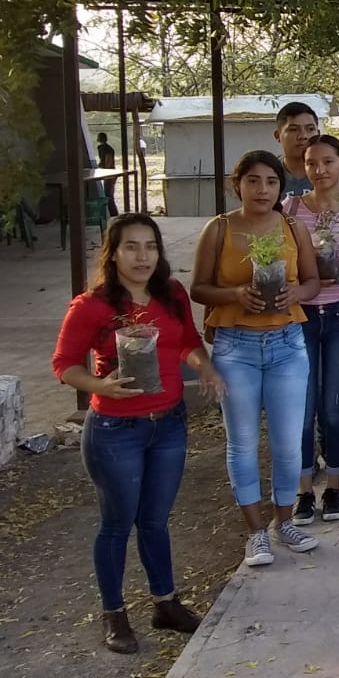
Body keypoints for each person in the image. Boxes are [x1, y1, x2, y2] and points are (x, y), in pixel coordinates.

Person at [51, 214, 225, 654]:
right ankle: (115, 614)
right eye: (132, 247)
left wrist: (203, 366)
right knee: (116, 524)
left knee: (154, 520)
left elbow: (186, 341)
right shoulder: (91, 306)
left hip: (167, 424)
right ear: (114, 253)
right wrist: (99, 385)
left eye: (150, 246)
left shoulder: (171, 294)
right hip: (115, 430)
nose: (143, 256)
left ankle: (165, 603)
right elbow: (65, 365)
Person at [191, 151, 321, 568]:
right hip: (235, 347)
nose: (262, 189)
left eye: (270, 181)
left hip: (287, 345)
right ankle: (254, 532)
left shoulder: (292, 227)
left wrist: (296, 293)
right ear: (238, 184)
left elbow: (314, 280)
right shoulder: (220, 228)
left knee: (288, 444)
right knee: (243, 442)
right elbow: (199, 288)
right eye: (253, 181)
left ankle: (285, 523)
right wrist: (233, 295)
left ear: (281, 188)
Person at [286, 135, 339, 526]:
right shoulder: (290, 210)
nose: (319, 171)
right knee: (302, 412)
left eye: (327, 162)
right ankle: (304, 491)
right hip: (299, 317)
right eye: (311, 163)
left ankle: (334, 485)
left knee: (335, 409)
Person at [274, 102, 339, 206]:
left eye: (310, 129)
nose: (303, 136)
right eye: (293, 129)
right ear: (277, 135)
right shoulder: (269, 172)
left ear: (318, 133)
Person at [96, 132, 119, 217]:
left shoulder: (103, 148)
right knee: (109, 194)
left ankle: (113, 214)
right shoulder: (108, 148)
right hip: (110, 172)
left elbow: (107, 161)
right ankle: (112, 213)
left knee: (108, 194)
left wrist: (102, 169)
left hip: (109, 173)